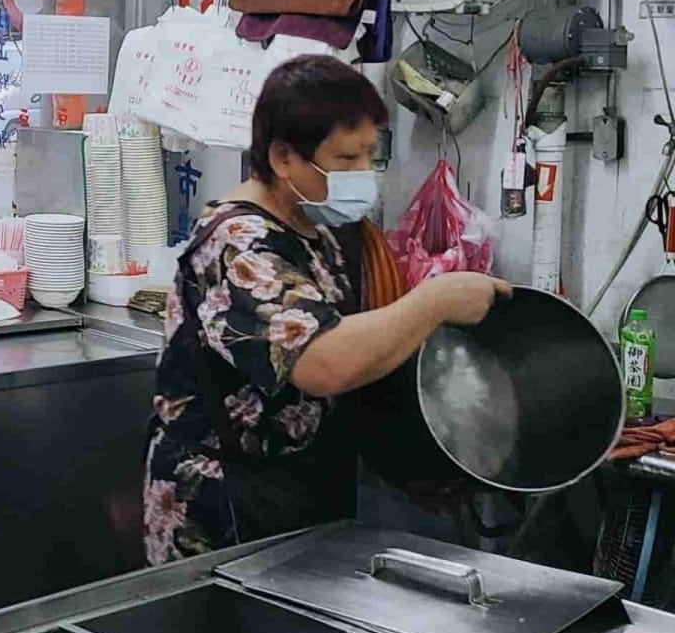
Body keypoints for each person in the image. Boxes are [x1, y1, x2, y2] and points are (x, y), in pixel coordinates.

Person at [144, 56, 510, 563]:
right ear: (283, 157)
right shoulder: (238, 245)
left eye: (369, 155)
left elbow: (361, 344)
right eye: (345, 159)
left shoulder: (319, 231)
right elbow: (321, 363)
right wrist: (436, 300)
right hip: (224, 502)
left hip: (300, 486)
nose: (363, 173)